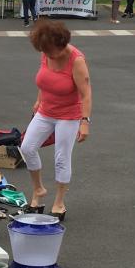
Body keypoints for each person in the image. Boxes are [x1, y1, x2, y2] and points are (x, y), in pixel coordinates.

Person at [19, 19, 91, 221]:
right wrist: (38, 99)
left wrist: (85, 121)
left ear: (62, 43)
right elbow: (45, 79)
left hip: (68, 115)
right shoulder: (46, 51)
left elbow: (86, 94)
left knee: (61, 157)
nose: (49, 55)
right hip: (46, 111)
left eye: (52, 51)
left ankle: (59, 202)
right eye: (45, 51)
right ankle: (38, 190)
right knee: (27, 147)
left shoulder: (76, 60)